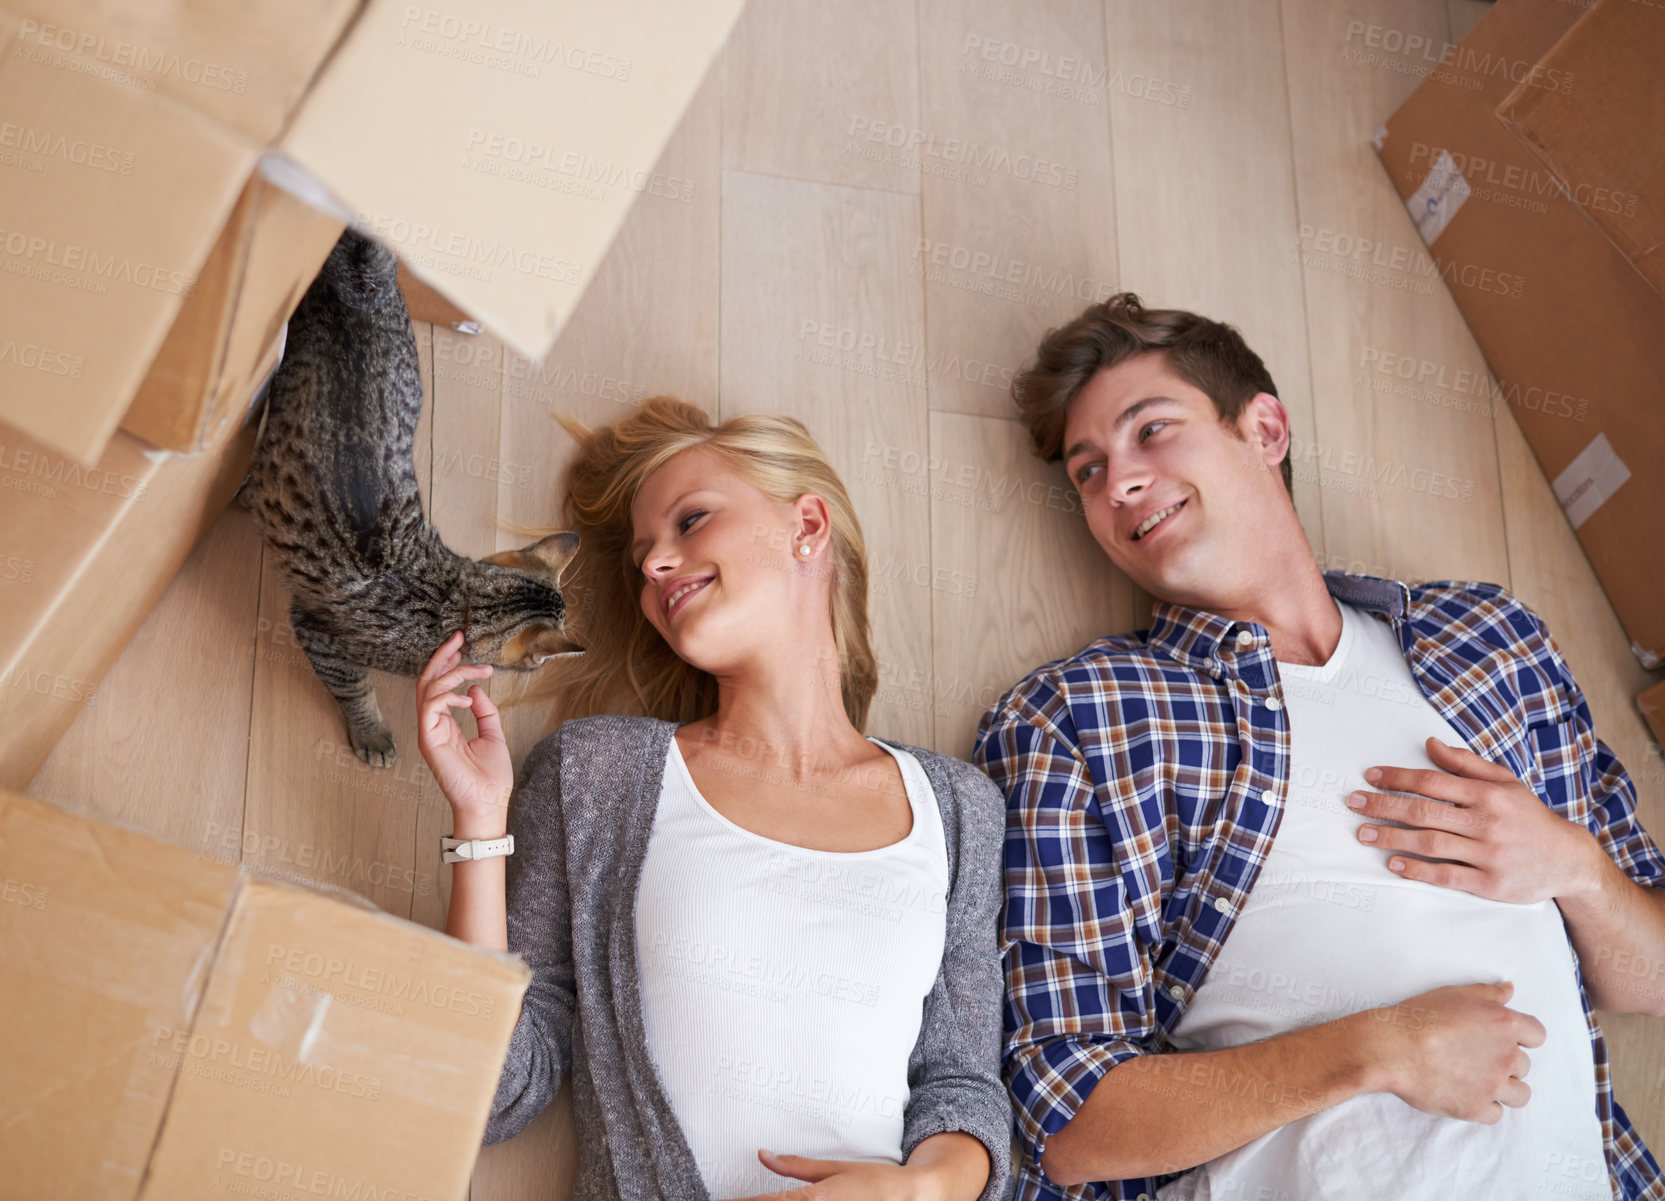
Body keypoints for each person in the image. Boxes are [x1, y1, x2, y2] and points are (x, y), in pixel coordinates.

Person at [972, 293, 1665, 1201]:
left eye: (1152, 431)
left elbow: (1648, 979)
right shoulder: (1081, 715)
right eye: (1088, 471)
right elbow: (1069, 1125)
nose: (1119, 484)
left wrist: (1572, 866)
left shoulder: (1489, 640)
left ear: (1263, 428)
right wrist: (1375, 1048)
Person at [418, 396, 1012, 1201]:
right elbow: (488, 1092)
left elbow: (961, 1082)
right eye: (642, 558)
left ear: (807, 524)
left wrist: (920, 1190)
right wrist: (480, 820)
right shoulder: (597, 774)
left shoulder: (957, 809)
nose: (657, 564)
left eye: (690, 521)